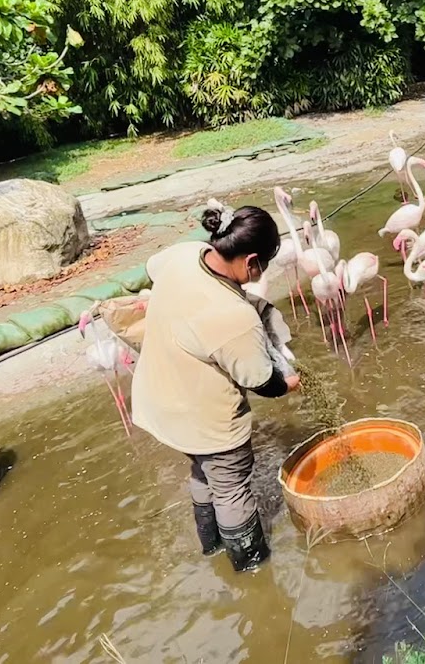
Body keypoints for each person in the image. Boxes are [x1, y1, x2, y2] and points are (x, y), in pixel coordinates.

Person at [130, 202, 300, 572]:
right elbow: (262, 382)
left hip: (160, 401)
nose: (263, 271)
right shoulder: (235, 319)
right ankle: (251, 566)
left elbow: (150, 268)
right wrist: (290, 383)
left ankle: (211, 548)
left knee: (202, 470)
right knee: (230, 486)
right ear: (252, 260)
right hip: (205, 417)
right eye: (265, 263)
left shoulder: (185, 254)